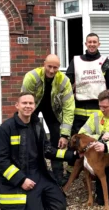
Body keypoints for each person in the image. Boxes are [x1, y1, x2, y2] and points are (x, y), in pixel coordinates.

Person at [0, 92, 79, 210]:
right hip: (22, 176)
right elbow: (1, 161)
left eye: (31, 103)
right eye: (24, 103)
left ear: (34, 106)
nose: (28, 106)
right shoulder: (6, 129)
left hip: (39, 174)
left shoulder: (37, 126)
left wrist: (74, 155)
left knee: (60, 205)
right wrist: (21, 180)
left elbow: (48, 150)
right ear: (17, 105)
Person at [66, 32, 109, 175]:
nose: (92, 44)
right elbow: (67, 80)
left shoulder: (106, 62)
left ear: (98, 44)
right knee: (76, 137)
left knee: (98, 136)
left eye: (95, 42)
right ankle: (73, 167)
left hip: (99, 106)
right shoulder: (76, 61)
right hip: (80, 106)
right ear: (85, 44)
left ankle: (97, 164)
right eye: (89, 42)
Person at [21, 54, 75, 186]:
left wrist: (65, 135)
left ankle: (58, 175)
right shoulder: (31, 77)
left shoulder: (64, 80)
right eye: (49, 67)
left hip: (53, 110)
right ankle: (32, 172)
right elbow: (23, 101)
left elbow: (69, 107)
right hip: (33, 107)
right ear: (44, 64)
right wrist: (24, 121)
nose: (51, 70)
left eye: (55, 68)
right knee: (32, 138)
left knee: (58, 141)